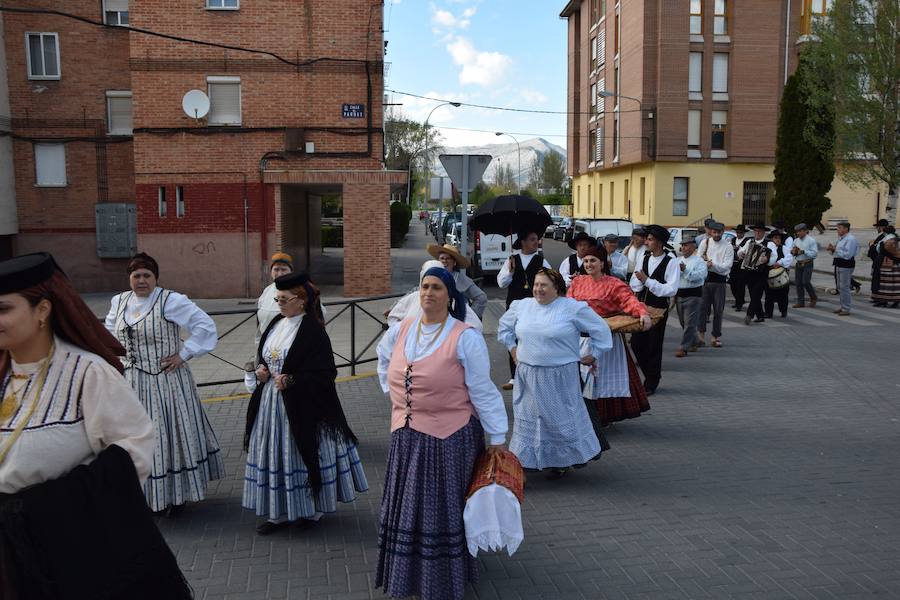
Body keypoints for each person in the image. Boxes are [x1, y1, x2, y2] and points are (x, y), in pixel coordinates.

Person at [0, 253, 192, 599]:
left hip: (66, 550)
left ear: (42, 310)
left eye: (3, 309)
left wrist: (47, 504)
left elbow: (134, 448)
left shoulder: (87, 372)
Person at [375, 267, 508, 600]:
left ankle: (441, 575)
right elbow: (383, 360)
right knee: (408, 505)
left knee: (439, 507)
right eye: (424, 287)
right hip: (406, 434)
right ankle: (408, 571)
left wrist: (497, 435)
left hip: (448, 437)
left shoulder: (464, 336)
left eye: (436, 288)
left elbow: (482, 388)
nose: (428, 293)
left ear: (450, 297)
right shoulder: (402, 329)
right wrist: (398, 397)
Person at [243, 272, 367, 535]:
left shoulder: (313, 330)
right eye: (277, 299)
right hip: (271, 406)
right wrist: (262, 372)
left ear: (300, 301)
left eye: (284, 299)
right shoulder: (276, 322)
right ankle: (278, 514)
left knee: (300, 454)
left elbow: (326, 374)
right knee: (276, 454)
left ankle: (310, 511)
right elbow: (265, 358)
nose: (279, 304)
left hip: (302, 406)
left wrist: (292, 380)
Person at [104, 252, 224, 514]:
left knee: (166, 435)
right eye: (136, 276)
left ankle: (175, 495)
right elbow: (111, 336)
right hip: (132, 382)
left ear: (156, 278)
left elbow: (205, 326)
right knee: (136, 438)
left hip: (166, 382)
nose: (142, 280)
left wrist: (183, 354)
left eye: (147, 275)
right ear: (129, 278)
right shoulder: (119, 301)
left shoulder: (171, 301)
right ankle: (143, 494)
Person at [500, 269, 612, 478]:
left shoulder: (572, 308)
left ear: (557, 288)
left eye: (543, 285)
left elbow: (601, 330)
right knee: (530, 419)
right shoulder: (522, 306)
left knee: (557, 421)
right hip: (528, 375)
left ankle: (560, 461)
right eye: (536, 284)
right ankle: (524, 464)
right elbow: (504, 329)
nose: (538, 289)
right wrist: (513, 350)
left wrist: (594, 353)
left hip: (560, 376)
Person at [568, 246, 653, 427]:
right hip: (581, 338)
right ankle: (585, 418)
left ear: (602, 263)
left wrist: (642, 313)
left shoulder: (614, 283)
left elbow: (629, 301)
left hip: (607, 337)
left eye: (593, 260)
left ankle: (603, 417)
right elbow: (567, 306)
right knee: (581, 378)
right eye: (585, 261)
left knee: (601, 378)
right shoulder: (577, 282)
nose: (589, 264)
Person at [497, 229, 551, 390]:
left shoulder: (541, 260)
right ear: (523, 242)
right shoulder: (512, 260)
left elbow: (553, 280)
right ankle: (514, 376)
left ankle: (534, 373)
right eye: (533, 239)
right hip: (514, 304)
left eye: (537, 239)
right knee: (513, 338)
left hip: (536, 306)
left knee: (533, 337)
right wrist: (511, 272)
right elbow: (501, 283)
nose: (537, 242)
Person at [629, 225, 679, 395]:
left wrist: (647, 281)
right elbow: (635, 283)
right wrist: (639, 281)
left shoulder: (671, 262)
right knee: (636, 344)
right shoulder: (644, 257)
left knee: (653, 346)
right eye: (647, 239)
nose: (646, 242)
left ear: (659, 243)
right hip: (642, 307)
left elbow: (671, 289)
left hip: (659, 309)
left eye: (650, 239)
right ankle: (650, 375)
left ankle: (651, 382)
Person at [387, 260, 483, 331]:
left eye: (436, 287)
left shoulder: (455, 303)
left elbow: (476, 327)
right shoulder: (412, 298)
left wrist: (453, 338)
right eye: (426, 286)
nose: (429, 292)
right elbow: (393, 317)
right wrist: (404, 333)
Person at [427, 243, 488, 319]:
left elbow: (481, 298)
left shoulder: (461, 279)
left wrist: (469, 318)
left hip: (456, 324)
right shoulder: (433, 276)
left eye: (448, 258)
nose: (444, 261)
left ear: (454, 262)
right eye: (442, 258)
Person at [697, 221, 733, 348]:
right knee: (702, 309)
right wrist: (705, 264)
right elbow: (698, 258)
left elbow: (726, 267)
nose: (716, 234)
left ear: (723, 232)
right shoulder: (705, 243)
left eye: (719, 232)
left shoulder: (728, 246)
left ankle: (715, 336)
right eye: (714, 232)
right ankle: (700, 336)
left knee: (718, 310)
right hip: (705, 280)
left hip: (720, 282)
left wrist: (713, 265)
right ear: (710, 231)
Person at [674, 236, 707, 357]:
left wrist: (685, 271)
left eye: (686, 245)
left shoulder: (699, 261)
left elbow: (699, 277)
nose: (683, 247)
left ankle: (683, 347)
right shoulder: (677, 260)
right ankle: (695, 341)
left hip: (693, 295)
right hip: (679, 295)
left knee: (689, 323)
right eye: (682, 245)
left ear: (693, 246)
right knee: (684, 323)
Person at [256, 251, 294, 346]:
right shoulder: (267, 291)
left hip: (288, 345)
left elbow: (319, 313)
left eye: (284, 269)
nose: (280, 273)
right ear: (271, 272)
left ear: (291, 271)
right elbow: (260, 323)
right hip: (267, 344)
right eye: (276, 269)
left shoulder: (298, 290)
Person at [738, 224, 772, 325]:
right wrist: (741, 254)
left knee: (757, 293)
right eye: (756, 231)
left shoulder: (769, 243)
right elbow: (740, 251)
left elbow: (773, 256)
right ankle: (760, 315)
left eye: (760, 231)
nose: (757, 233)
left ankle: (749, 314)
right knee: (753, 294)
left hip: (762, 272)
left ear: (764, 232)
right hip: (749, 270)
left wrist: (766, 259)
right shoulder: (750, 241)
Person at [827, 221, 859, 316]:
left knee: (845, 287)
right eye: (837, 228)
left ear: (846, 229)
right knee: (840, 287)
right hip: (839, 263)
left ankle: (846, 308)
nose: (838, 230)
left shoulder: (851, 239)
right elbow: (837, 250)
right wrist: (832, 249)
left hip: (846, 264)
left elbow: (848, 255)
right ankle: (843, 306)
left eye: (839, 228)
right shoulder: (841, 239)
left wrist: (835, 249)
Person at [764, 231, 793, 318]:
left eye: (779, 238)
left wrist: (780, 263)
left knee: (783, 295)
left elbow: (789, 258)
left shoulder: (784, 248)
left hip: (782, 275)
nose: (778, 240)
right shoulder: (768, 249)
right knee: (768, 295)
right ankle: (768, 312)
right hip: (769, 275)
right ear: (772, 239)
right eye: (775, 238)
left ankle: (783, 311)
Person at [791, 223, 819, 308]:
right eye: (797, 232)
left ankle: (813, 297)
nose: (798, 233)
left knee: (806, 282)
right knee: (798, 283)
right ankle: (801, 301)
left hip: (808, 263)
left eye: (799, 231)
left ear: (804, 231)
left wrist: (803, 251)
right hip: (799, 263)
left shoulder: (811, 240)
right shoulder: (796, 241)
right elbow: (792, 250)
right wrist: (793, 252)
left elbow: (814, 254)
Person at [871, 229, 900, 308]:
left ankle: (890, 301)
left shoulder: (890, 239)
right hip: (886, 262)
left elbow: (890, 250)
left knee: (888, 283)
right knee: (886, 283)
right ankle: (885, 300)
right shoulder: (891, 238)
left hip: (889, 263)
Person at [730, 224, 752, 310]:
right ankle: (739, 300)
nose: (739, 234)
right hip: (733, 264)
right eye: (737, 232)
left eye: (741, 232)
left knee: (740, 285)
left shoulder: (748, 241)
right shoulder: (732, 240)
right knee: (732, 284)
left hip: (742, 265)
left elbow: (747, 251)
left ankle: (739, 304)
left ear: (744, 233)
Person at [869, 219, 890, 299]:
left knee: (879, 280)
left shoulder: (885, 236)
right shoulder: (883, 235)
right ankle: (878, 296)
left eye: (877, 227)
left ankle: (879, 297)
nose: (877, 229)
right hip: (880, 261)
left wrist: (871, 245)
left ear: (881, 227)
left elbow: (879, 249)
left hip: (881, 262)